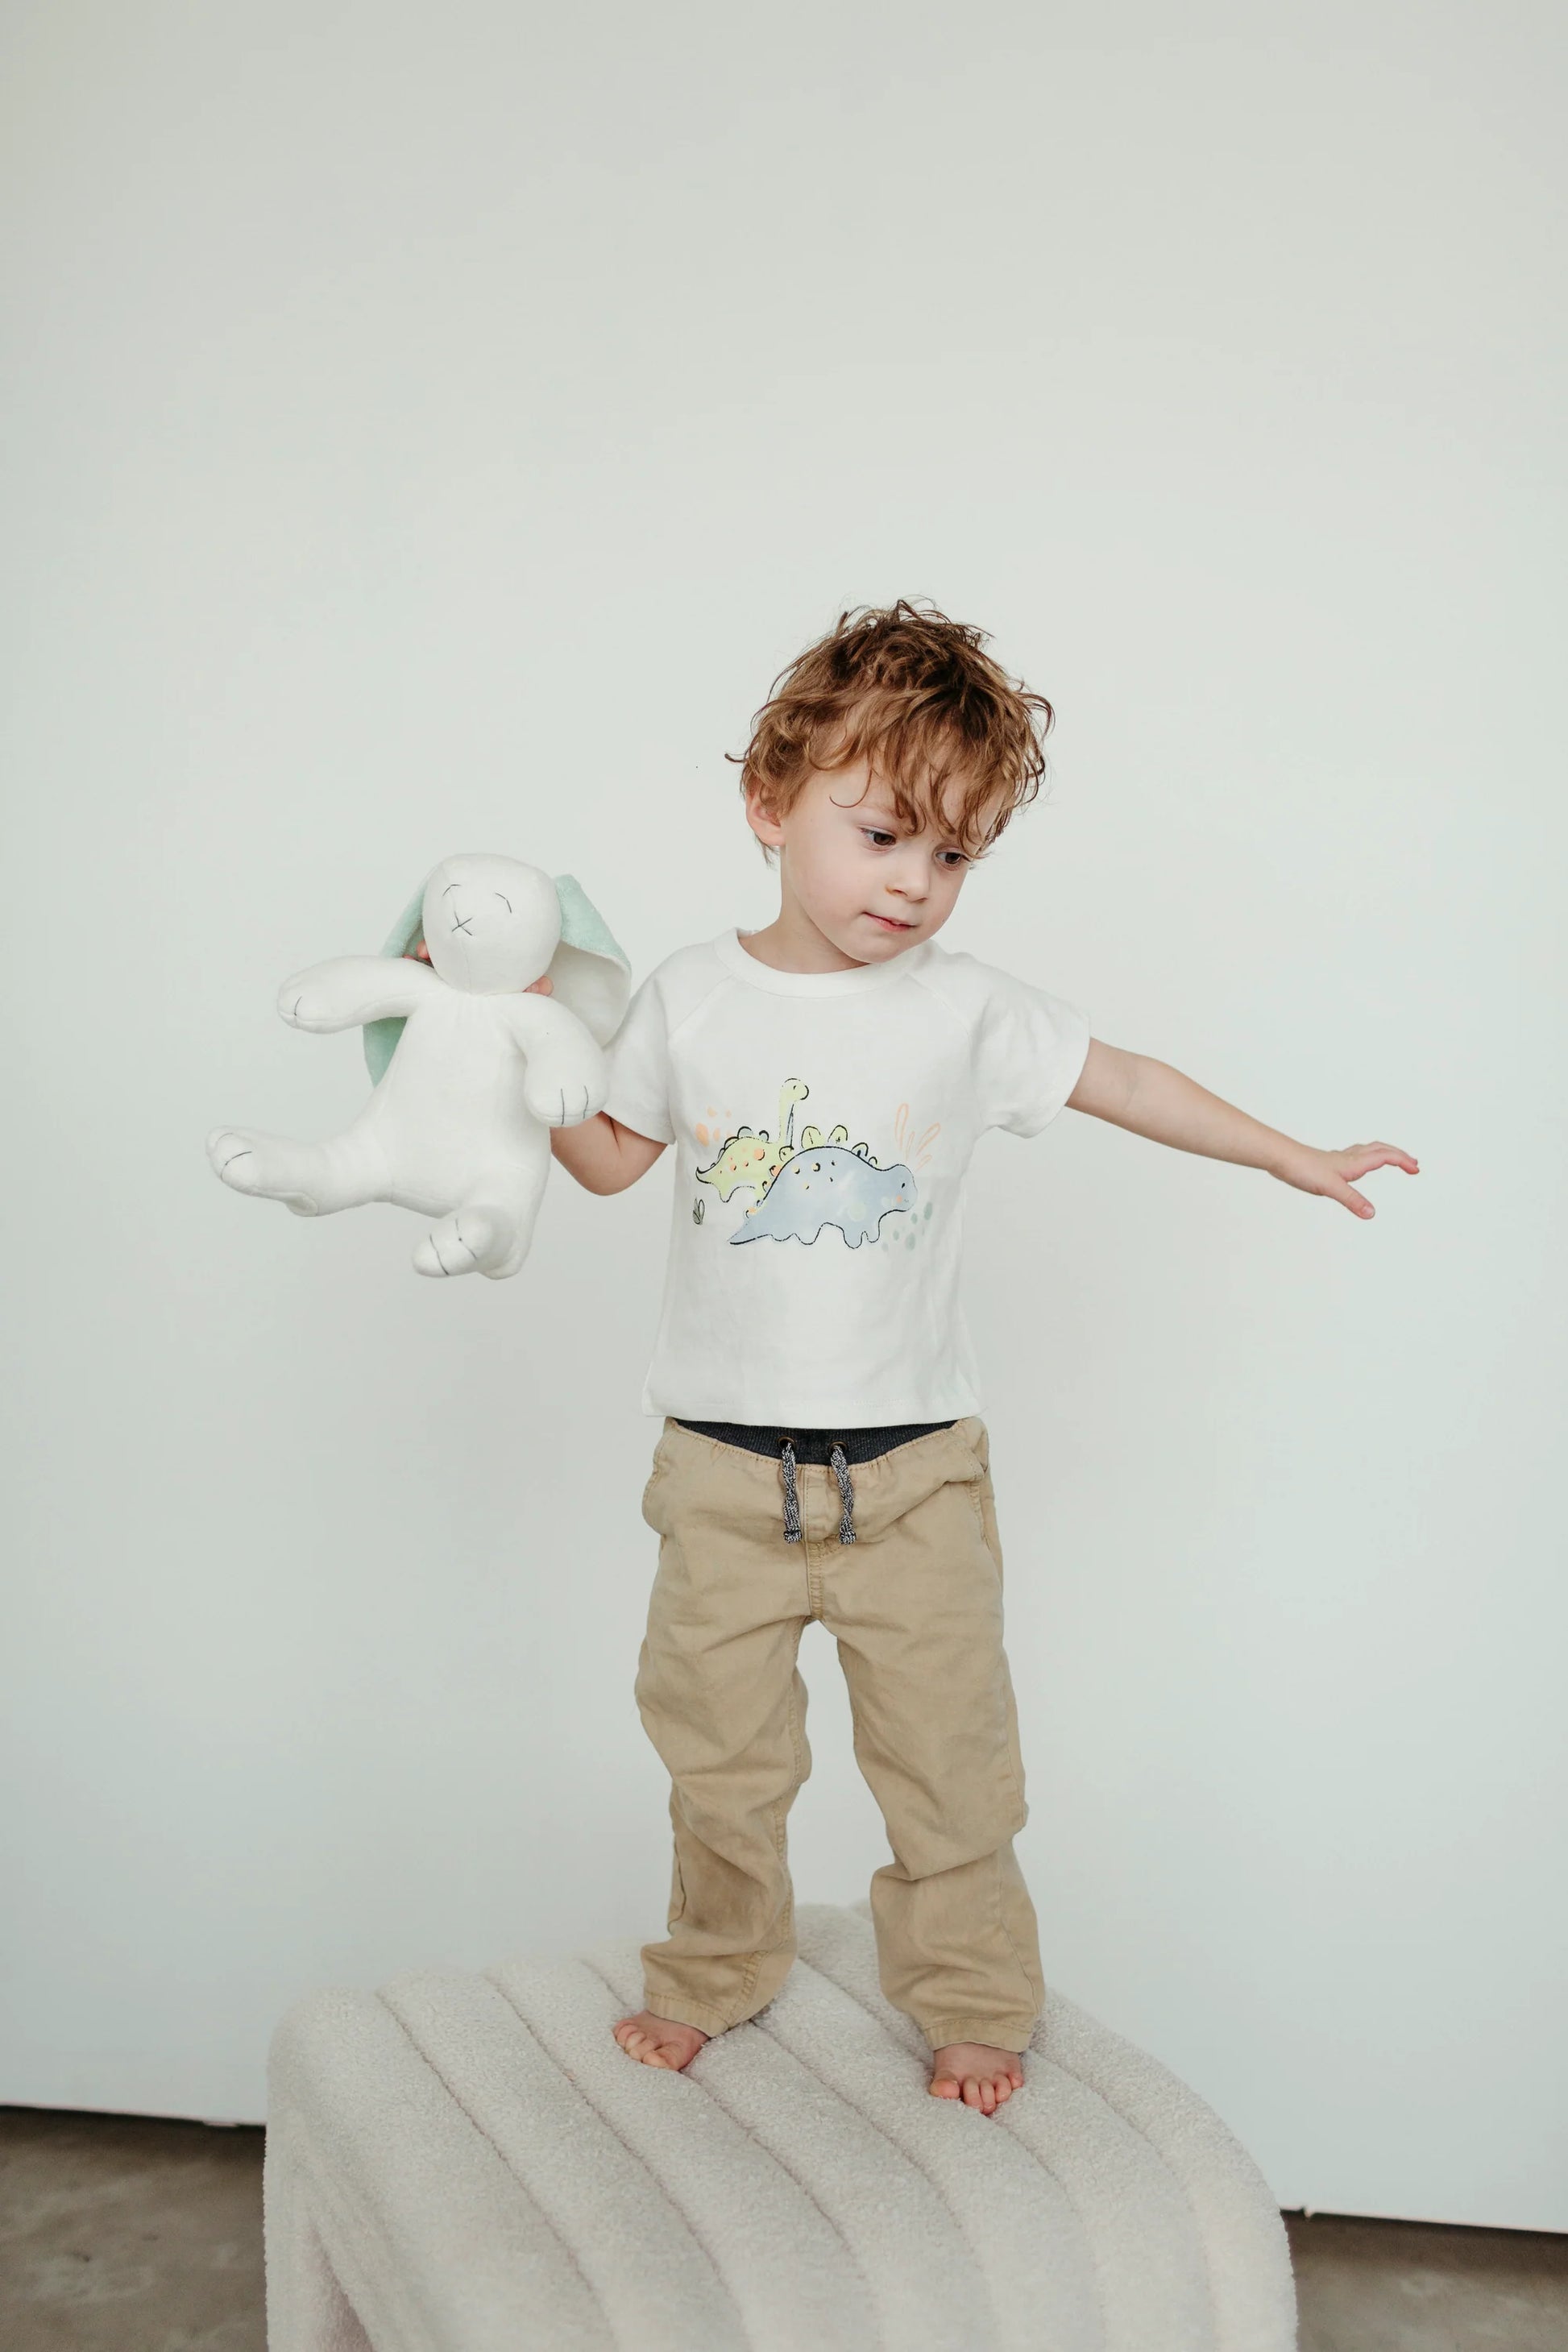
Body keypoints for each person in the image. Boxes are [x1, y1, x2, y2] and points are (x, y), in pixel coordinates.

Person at [549, 600, 1417, 2115]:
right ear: (768, 801)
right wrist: (517, 1043)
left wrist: (1287, 1153)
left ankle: (969, 2001)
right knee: (719, 1768)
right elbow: (609, 1161)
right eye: (883, 835)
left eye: (953, 856)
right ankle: (711, 1971)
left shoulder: (961, 1008)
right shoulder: (688, 995)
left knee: (951, 1773)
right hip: (719, 1477)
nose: (914, 884)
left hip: (914, 1481)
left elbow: (1125, 1079)